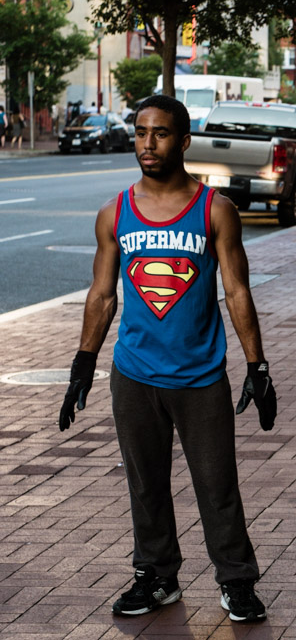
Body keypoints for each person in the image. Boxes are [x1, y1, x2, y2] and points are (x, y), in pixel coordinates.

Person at [57, 95, 275, 623]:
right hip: (133, 374)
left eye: (159, 134)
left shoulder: (214, 210)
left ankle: (237, 581)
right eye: (139, 133)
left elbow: (237, 291)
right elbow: (102, 294)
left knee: (217, 484)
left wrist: (257, 366)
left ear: (183, 141)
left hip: (199, 376)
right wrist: (83, 363)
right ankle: (157, 578)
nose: (146, 144)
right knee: (145, 482)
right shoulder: (115, 213)